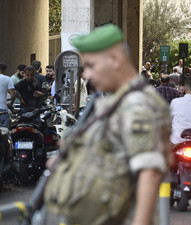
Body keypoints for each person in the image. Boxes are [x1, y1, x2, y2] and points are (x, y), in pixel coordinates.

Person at [45, 24, 171, 225]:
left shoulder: (136, 105)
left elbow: (149, 171)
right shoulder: (117, 101)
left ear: (114, 60)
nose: (86, 75)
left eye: (91, 66)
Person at [0, 63, 16, 128]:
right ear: (5, 70)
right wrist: (11, 104)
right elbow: (13, 95)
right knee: (4, 132)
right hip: (3, 109)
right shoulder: (7, 79)